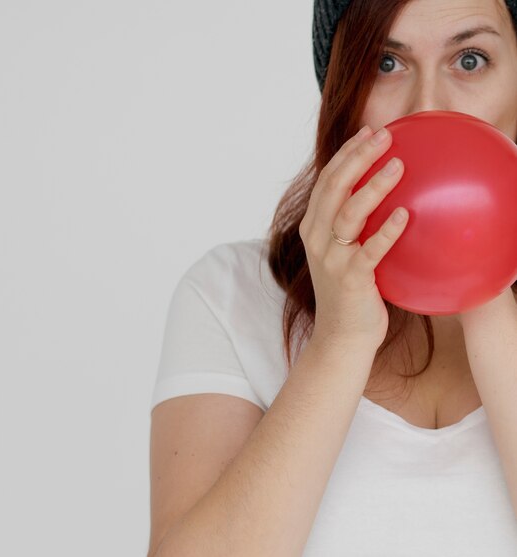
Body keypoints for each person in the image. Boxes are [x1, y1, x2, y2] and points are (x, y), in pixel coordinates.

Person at [147, 0, 517, 555]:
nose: (427, 106)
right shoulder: (231, 294)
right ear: (343, 93)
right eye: (386, 64)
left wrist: (486, 289)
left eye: (470, 60)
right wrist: (341, 341)